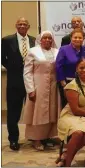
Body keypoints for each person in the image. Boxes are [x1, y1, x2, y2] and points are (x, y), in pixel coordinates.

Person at [56, 58, 85, 167]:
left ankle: (66, 155)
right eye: (81, 68)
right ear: (76, 69)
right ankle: (68, 164)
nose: (84, 70)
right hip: (72, 115)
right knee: (78, 133)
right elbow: (75, 110)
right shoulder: (72, 85)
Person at [1, 17, 36, 151]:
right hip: (14, 82)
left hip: (31, 82)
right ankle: (14, 139)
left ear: (28, 26)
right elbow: (2, 58)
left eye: (25, 24)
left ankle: (35, 137)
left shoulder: (34, 41)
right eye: (20, 24)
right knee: (13, 112)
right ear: (16, 26)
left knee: (33, 111)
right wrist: (13, 67)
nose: (22, 26)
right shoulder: (7, 40)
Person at [23, 30, 61, 151]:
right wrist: (30, 89)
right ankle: (36, 139)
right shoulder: (33, 52)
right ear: (40, 39)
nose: (47, 40)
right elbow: (27, 72)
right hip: (38, 85)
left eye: (50, 38)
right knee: (38, 113)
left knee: (51, 111)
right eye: (45, 38)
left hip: (53, 86)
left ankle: (47, 136)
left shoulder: (57, 51)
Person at [56, 29, 85, 108]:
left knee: (81, 105)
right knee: (68, 106)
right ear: (71, 38)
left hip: (82, 82)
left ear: (83, 39)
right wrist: (63, 82)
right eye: (75, 37)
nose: (77, 39)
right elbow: (58, 65)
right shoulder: (63, 49)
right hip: (68, 82)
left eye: (80, 38)